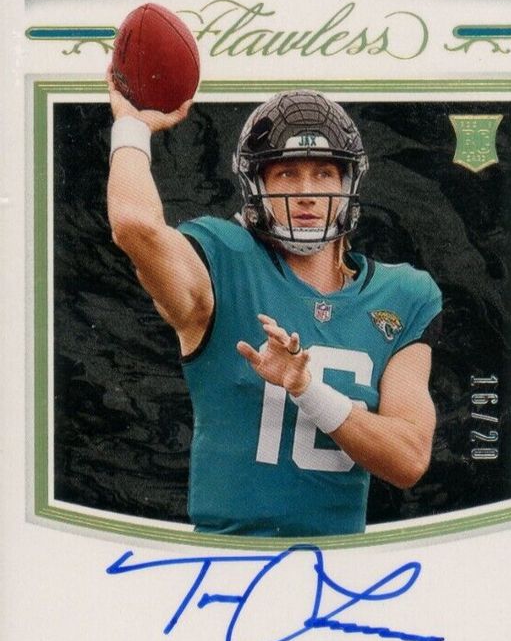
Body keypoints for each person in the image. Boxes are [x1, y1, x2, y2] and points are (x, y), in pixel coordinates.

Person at [107, 78, 442, 537]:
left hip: (342, 563)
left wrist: (306, 389)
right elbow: (133, 225)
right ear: (256, 184)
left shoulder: (403, 294)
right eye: (286, 173)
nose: (306, 192)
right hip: (228, 558)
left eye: (323, 173)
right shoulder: (225, 261)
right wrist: (131, 127)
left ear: (348, 184)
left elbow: (409, 458)